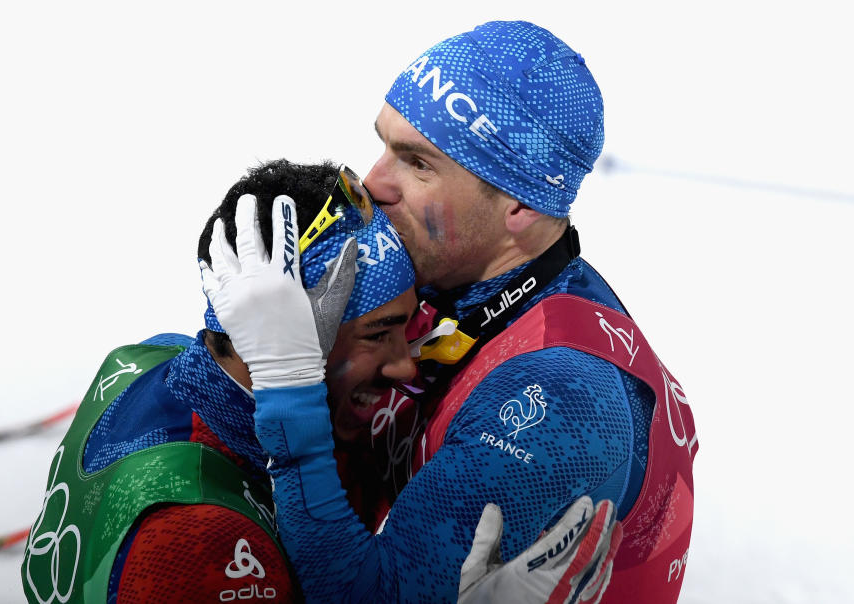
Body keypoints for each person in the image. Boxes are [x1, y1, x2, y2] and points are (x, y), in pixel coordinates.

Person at [205, 21, 697, 604]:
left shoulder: (558, 397)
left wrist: (288, 383)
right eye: (384, 144)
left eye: (417, 163)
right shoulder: (459, 277)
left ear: (520, 204)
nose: (372, 182)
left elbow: (365, 598)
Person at [22, 159, 620, 604]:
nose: (405, 364)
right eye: (378, 332)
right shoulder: (204, 540)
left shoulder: (152, 357)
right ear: (286, 334)